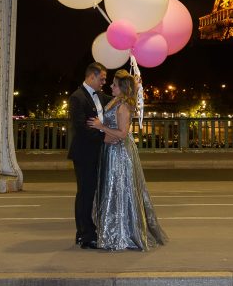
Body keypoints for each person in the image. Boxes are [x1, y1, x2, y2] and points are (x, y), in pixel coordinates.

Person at [88, 69, 167, 251]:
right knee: (113, 191)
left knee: (119, 191)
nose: (111, 86)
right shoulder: (117, 100)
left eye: (114, 84)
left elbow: (123, 134)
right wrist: (136, 85)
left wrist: (101, 127)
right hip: (111, 149)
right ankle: (113, 231)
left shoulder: (123, 106)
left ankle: (122, 233)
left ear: (121, 88)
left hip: (119, 153)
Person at [67, 61, 110, 248]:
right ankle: (86, 235)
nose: (104, 83)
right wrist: (104, 137)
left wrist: (133, 87)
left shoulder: (99, 95)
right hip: (84, 153)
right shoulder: (77, 98)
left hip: (94, 152)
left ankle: (83, 232)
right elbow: (80, 128)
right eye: (102, 79)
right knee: (85, 193)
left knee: (89, 193)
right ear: (91, 76)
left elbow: (117, 99)